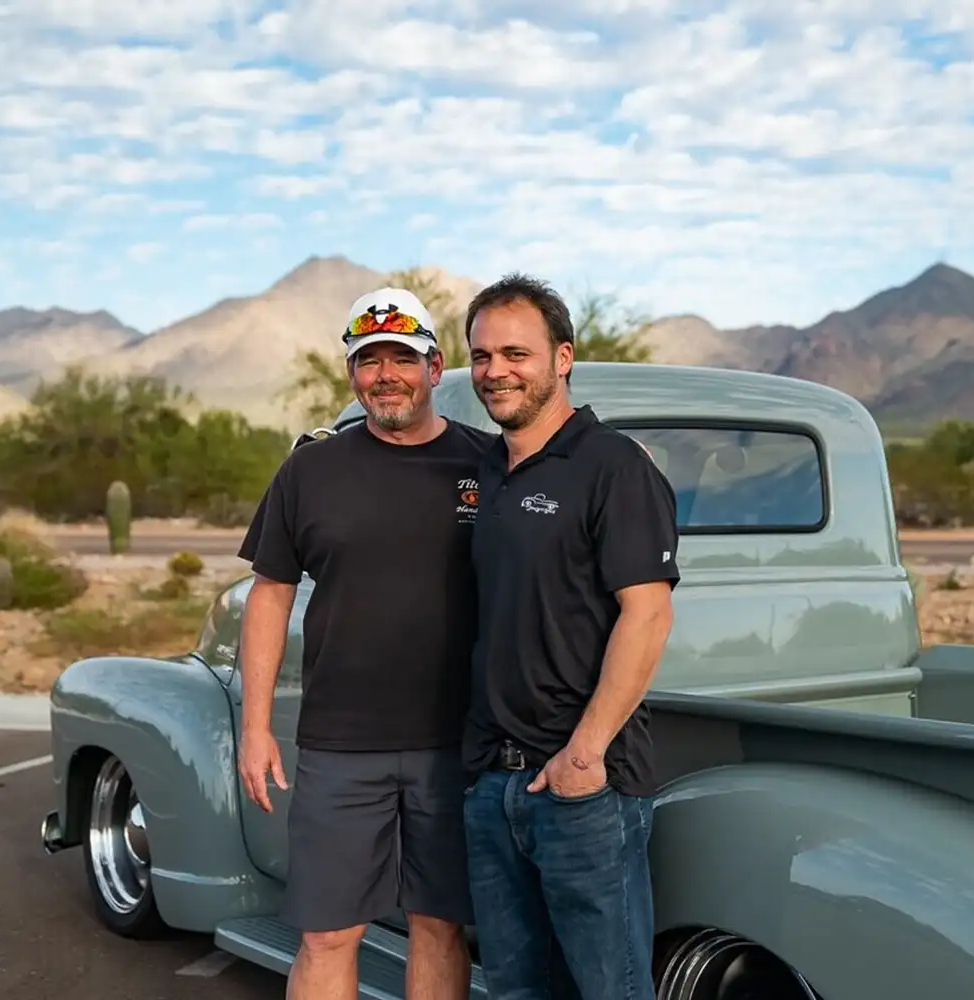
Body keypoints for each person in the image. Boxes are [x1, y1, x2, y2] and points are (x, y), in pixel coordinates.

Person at [236, 286, 493, 1000]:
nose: (386, 376)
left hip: (455, 744)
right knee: (327, 934)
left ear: (434, 368)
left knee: (439, 926)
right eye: (369, 361)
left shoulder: (487, 464)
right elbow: (270, 593)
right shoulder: (310, 471)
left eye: (402, 359)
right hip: (341, 744)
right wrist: (255, 728)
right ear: (351, 374)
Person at [459, 273, 680, 1000]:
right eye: (482, 355)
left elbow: (648, 615)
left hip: (584, 791)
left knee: (609, 988)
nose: (495, 371)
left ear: (562, 358)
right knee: (517, 988)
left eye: (515, 353)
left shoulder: (612, 466)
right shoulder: (484, 474)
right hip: (493, 784)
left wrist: (583, 756)